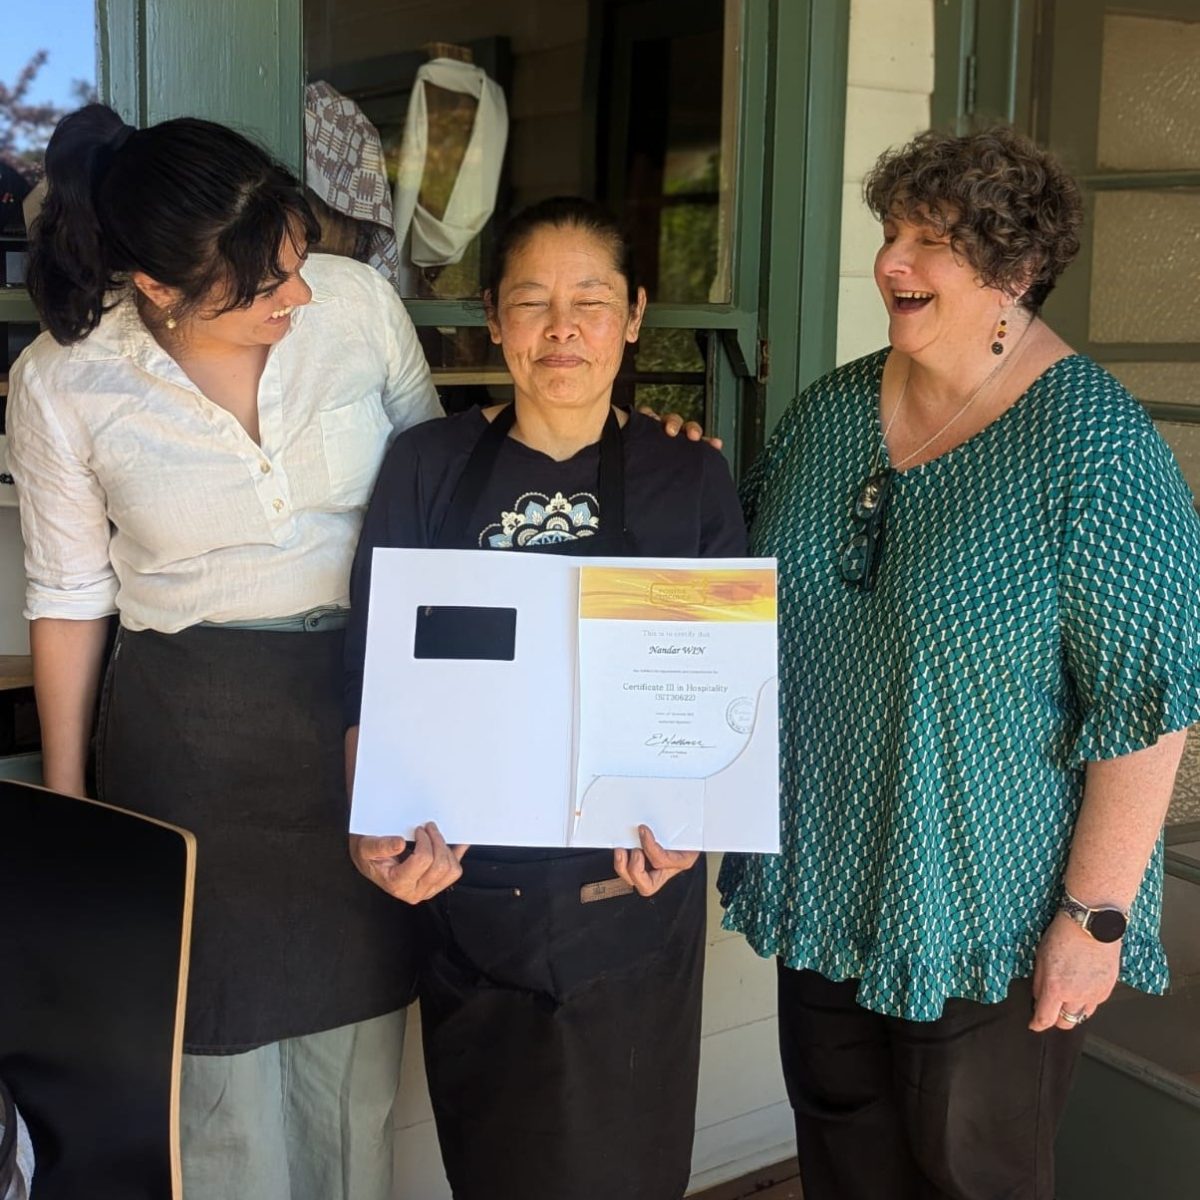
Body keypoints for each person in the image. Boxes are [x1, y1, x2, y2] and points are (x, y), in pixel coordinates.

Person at [718, 126, 1200, 1200]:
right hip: (830, 887)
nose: (894, 261)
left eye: (933, 240)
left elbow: (1149, 709)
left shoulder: (1095, 449)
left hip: (990, 915)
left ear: (1015, 272)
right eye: (892, 232)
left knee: (969, 1179)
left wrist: (1094, 919)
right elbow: (730, 598)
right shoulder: (828, 415)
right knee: (844, 1165)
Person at [6, 104, 442, 1200]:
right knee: (214, 1092)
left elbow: (439, 502)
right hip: (188, 745)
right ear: (158, 290)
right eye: (262, 289)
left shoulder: (355, 305)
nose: (299, 294)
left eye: (297, 261)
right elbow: (67, 598)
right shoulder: (65, 383)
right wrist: (72, 809)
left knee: (356, 1080)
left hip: (357, 715)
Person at [343, 196, 747, 1200]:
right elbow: (372, 674)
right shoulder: (428, 468)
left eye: (591, 301)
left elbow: (721, 686)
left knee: (630, 1163)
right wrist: (377, 831)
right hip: (473, 888)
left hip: (633, 888)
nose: (562, 330)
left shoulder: (689, 472)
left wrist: (691, 826)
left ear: (637, 315)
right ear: (492, 318)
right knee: (501, 1164)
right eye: (531, 302)